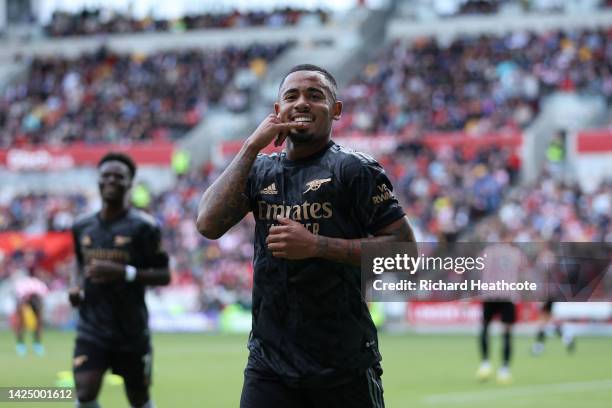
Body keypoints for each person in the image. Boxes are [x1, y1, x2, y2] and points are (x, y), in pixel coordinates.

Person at [197, 64, 415, 408]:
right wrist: (251, 146)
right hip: (269, 364)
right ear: (277, 111)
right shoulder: (259, 170)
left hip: (342, 364)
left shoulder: (355, 169)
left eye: (315, 96)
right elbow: (207, 224)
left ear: (336, 110)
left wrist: (316, 246)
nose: (301, 103)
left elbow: (405, 254)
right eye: (291, 96)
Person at [69, 152, 170, 408]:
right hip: (91, 327)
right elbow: (79, 262)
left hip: (131, 330)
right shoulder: (81, 226)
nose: (112, 180)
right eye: (106, 175)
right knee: (84, 391)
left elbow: (164, 275)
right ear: (98, 181)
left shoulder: (145, 227)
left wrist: (124, 272)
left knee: (138, 398)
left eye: (119, 176)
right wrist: (76, 285)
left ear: (130, 183)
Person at [476, 240, 527, 384]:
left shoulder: (488, 251)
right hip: (508, 296)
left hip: (490, 295)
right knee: (507, 333)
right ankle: (504, 369)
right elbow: (523, 270)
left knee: (485, 328)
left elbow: (478, 269)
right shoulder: (516, 253)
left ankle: (485, 364)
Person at [12, 267, 48, 357]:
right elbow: (19, 295)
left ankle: (36, 344)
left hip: (34, 303)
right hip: (25, 303)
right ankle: (22, 345)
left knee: (37, 324)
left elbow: (42, 296)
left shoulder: (38, 283)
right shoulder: (25, 283)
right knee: (22, 324)